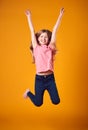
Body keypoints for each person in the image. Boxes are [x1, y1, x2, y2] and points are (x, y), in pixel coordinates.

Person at [23, 8, 64, 107]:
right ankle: (28, 92)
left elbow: (54, 31)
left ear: (48, 39)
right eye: (41, 36)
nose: (43, 38)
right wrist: (29, 17)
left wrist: (60, 16)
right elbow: (32, 31)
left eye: (45, 37)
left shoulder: (51, 47)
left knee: (56, 101)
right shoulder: (36, 47)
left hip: (50, 79)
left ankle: (32, 93)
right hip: (39, 79)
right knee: (38, 103)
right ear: (38, 38)